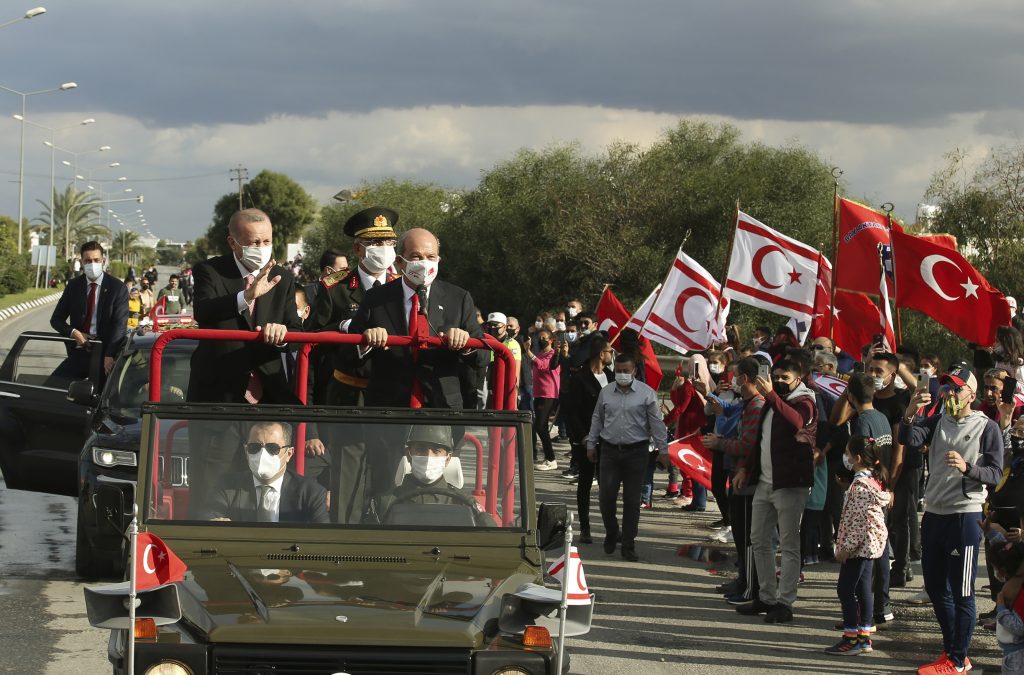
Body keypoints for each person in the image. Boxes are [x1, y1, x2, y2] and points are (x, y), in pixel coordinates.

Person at [900, 363, 1004, 675]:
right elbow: (908, 438)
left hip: (964, 516)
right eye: (947, 387)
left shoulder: (987, 427)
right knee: (934, 586)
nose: (950, 393)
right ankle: (952, 650)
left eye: (957, 388)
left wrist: (968, 468)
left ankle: (958, 659)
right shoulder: (936, 419)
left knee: (962, 591)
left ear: (972, 393)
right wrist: (909, 412)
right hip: (934, 514)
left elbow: (996, 473)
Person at [347, 227, 483, 409]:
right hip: (388, 408)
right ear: (399, 261)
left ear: (439, 260)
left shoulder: (459, 298)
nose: (424, 263)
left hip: (442, 407)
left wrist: (466, 344)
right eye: (416, 257)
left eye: (431, 257)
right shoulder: (376, 298)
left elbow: (482, 357)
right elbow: (347, 354)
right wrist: (365, 342)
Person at [187, 208, 303, 404]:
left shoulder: (282, 278)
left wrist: (281, 335)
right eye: (254, 243)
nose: (261, 248)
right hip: (218, 391)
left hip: (268, 391)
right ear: (233, 242)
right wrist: (247, 296)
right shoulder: (210, 271)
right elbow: (203, 311)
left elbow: (296, 331)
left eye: (267, 242)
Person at [736, 357, 817, 624]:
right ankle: (766, 596)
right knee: (758, 539)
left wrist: (771, 393)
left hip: (790, 485)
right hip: (765, 483)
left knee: (789, 545)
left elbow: (797, 422)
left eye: (786, 377)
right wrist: (745, 469)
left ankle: (785, 602)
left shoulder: (805, 401)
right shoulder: (771, 403)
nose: (780, 381)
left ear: (800, 376)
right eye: (777, 376)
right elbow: (760, 440)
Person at [587, 353, 668, 562]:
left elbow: (657, 424)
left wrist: (663, 450)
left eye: (626, 371)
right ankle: (612, 531)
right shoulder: (606, 393)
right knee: (606, 498)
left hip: (637, 452)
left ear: (634, 371)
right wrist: (591, 444)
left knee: (632, 501)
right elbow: (598, 418)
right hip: (610, 451)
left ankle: (629, 544)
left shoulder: (646, 394)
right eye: (618, 371)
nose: (622, 374)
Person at [704, 356, 766, 605]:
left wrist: (720, 444)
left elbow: (748, 444)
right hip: (739, 475)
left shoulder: (757, 406)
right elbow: (727, 409)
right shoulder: (747, 402)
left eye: (735, 376)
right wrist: (708, 393)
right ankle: (743, 580)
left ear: (745, 379)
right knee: (740, 535)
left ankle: (751, 588)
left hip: (748, 480)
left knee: (748, 537)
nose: (732, 381)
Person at [825, 435, 893, 656]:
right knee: (863, 589)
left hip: (859, 547)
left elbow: (859, 522)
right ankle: (863, 637)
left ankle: (851, 637)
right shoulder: (871, 481)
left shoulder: (861, 486)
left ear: (856, 458)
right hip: (868, 547)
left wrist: (845, 548)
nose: (844, 457)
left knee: (845, 589)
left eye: (847, 453)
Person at [203, 421, 328, 524]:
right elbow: (208, 517)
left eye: (273, 448)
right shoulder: (227, 486)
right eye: (254, 448)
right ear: (246, 451)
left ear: (289, 453)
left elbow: (323, 541)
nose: (262, 454)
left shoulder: (311, 492)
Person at [379, 425, 493, 526]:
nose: (428, 457)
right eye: (421, 449)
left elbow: (492, 539)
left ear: (448, 458)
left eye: (436, 451)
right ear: (408, 454)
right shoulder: (386, 502)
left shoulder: (464, 504)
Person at [49, 241, 129, 379]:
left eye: (96, 260)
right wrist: (74, 333)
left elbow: (120, 325)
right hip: (79, 351)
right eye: (88, 261)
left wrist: (109, 355)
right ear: (81, 262)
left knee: (101, 397)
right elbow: (56, 320)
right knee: (53, 389)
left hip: (106, 354)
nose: (92, 264)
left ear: (103, 261)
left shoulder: (117, 288)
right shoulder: (74, 286)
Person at [562, 334, 614, 544]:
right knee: (585, 482)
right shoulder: (580, 378)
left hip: (608, 440)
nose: (612, 355)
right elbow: (571, 411)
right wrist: (583, 437)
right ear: (601, 354)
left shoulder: (612, 377)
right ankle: (585, 527)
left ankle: (611, 527)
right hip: (585, 439)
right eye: (610, 352)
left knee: (607, 485)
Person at [982, 514, 1024, 674]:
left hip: (1017, 653)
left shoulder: (1018, 588)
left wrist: (1001, 610)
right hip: (1011, 651)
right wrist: (990, 533)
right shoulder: (1015, 563)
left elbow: (1020, 627)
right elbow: (1005, 552)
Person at [526, 328, 563, 470]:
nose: (541, 340)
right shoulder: (541, 353)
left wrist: (528, 352)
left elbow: (543, 367)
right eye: (539, 337)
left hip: (548, 394)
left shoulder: (553, 354)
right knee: (539, 426)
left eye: (544, 338)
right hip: (538, 393)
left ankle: (551, 458)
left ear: (551, 340)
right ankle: (548, 456)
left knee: (540, 426)